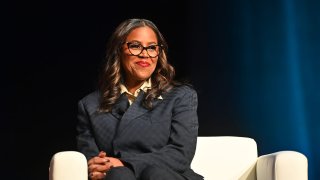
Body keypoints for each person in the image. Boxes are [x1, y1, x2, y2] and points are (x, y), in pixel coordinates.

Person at [76, 18, 203, 180]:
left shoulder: (180, 96)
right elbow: (92, 163)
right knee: (118, 175)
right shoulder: (90, 105)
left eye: (151, 48)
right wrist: (99, 167)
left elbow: (180, 154)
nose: (144, 54)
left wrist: (123, 163)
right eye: (135, 46)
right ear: (119, 50)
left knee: (153, 174)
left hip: (167, 176)